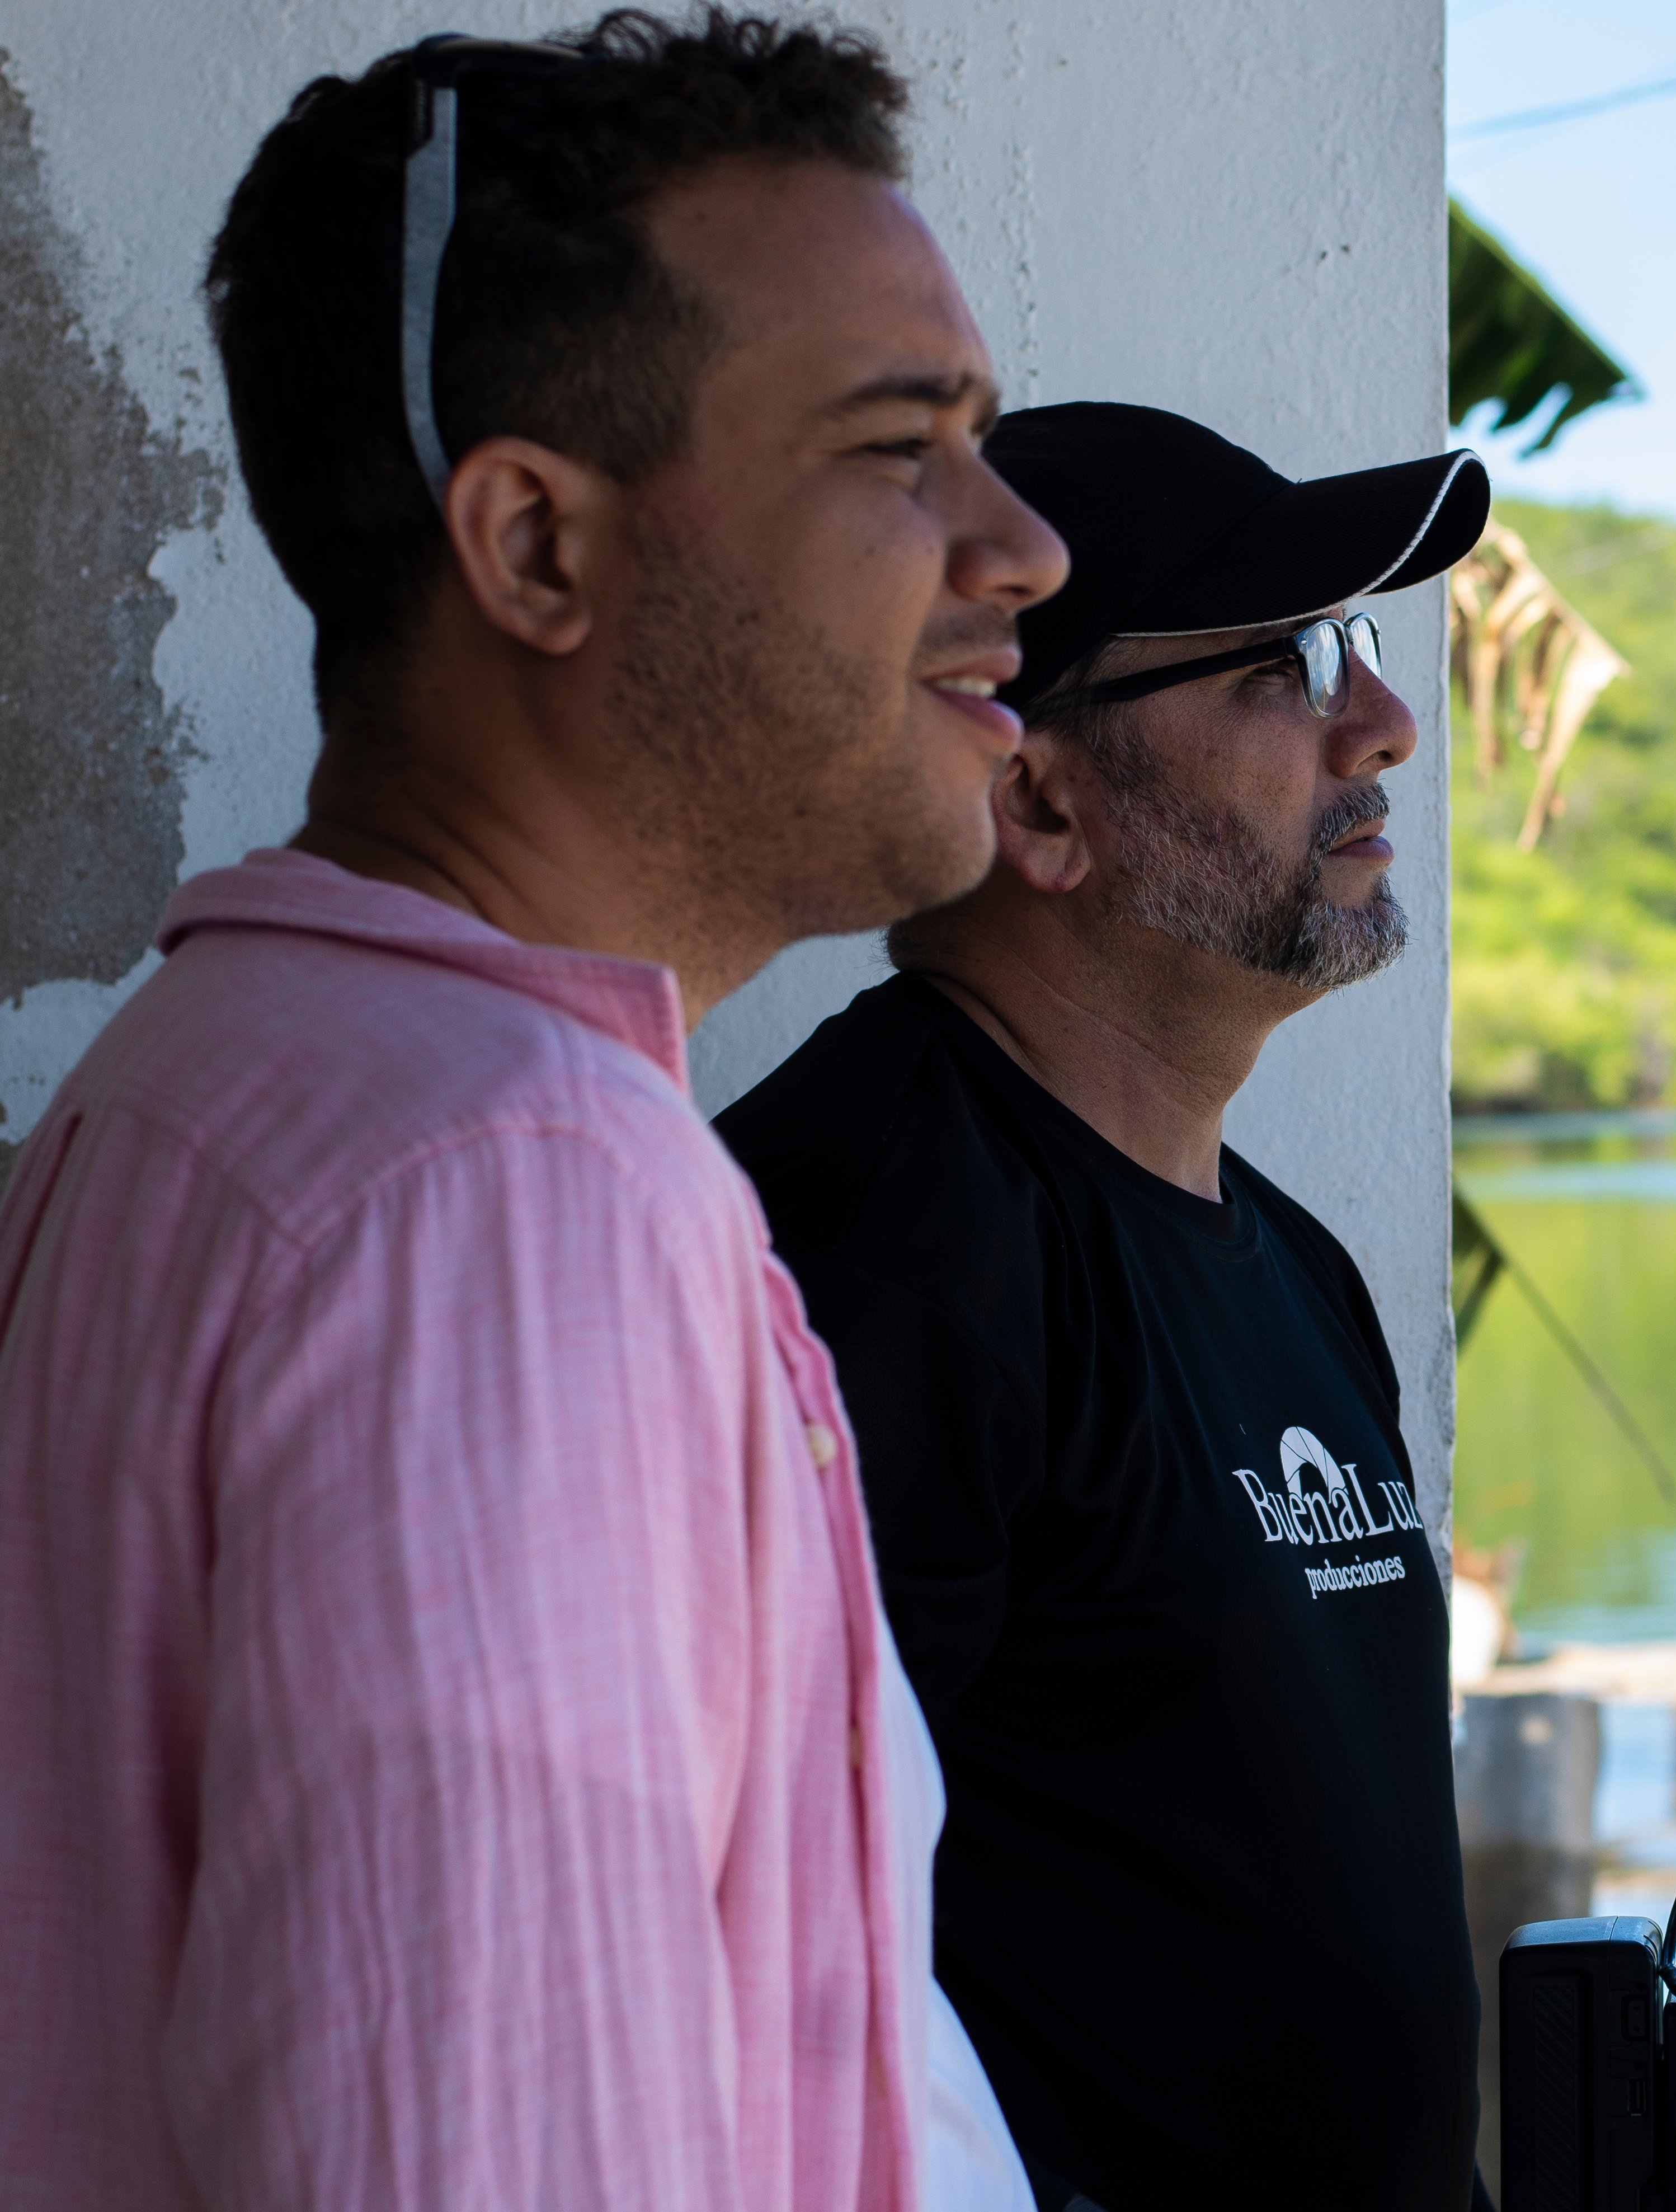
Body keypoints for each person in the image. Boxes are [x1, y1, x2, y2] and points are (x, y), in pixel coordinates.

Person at [0, 15, 1070, 2209]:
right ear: (536, 548)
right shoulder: (506, 1197)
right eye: (902, 446)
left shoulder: (205, 1092)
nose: (1026, 544)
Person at [717, 401, 1492, 2210]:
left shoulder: (1290, 1258)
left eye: (1357, 643)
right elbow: (774, 1966)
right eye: (1288, 665)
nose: (1383, 721)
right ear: (1039, 803)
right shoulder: (865, 1251)